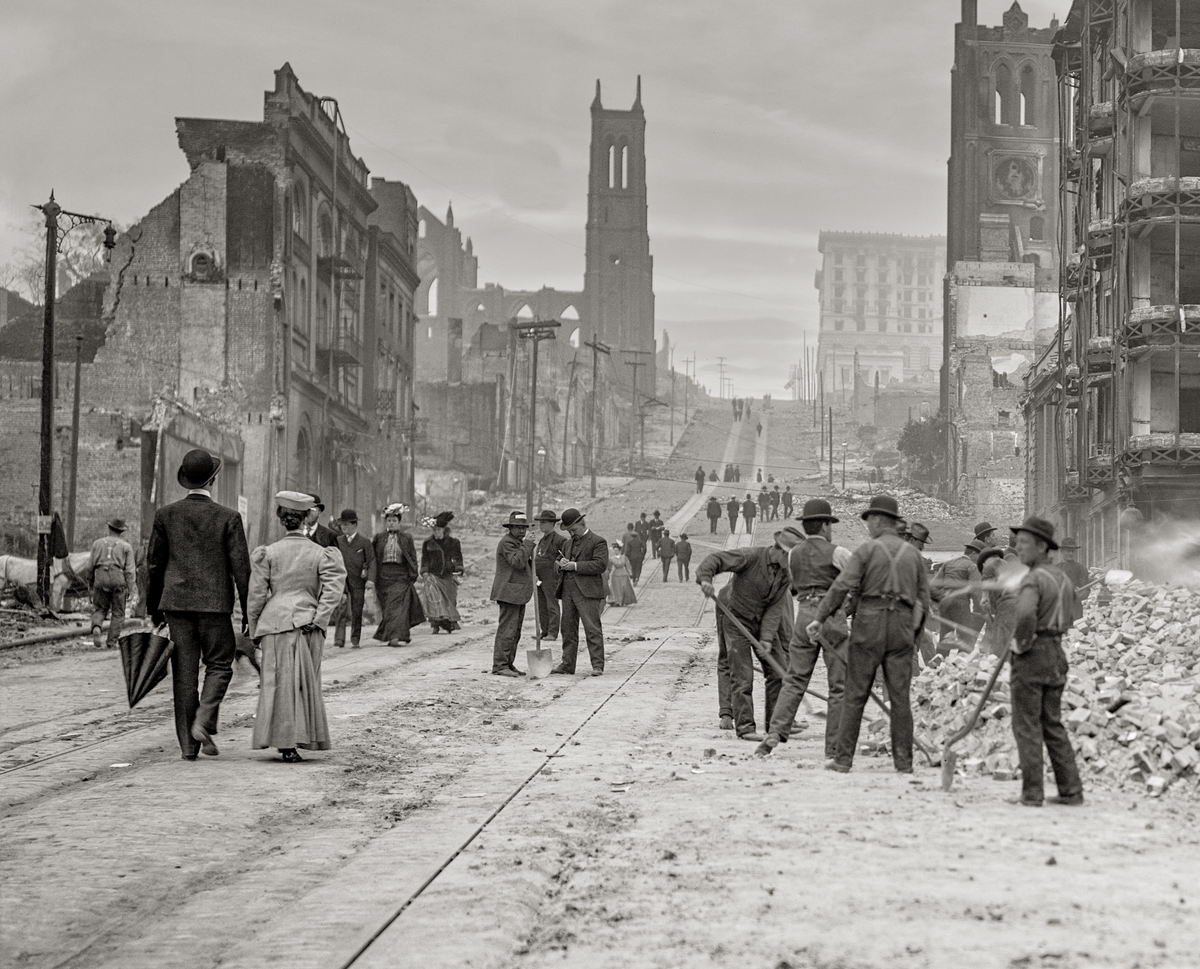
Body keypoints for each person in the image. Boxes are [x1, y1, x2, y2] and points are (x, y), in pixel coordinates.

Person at [812, 495, 930, 774]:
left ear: (878, 520)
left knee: (855, 694)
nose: (867, 527)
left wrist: (819, 618)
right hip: (901, 627)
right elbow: (924, 602)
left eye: (868, 521)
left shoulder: (866, 551)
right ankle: (904, 763)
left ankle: (843, 760)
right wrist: (912, 639)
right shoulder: (913, 555)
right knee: (900, 698)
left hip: (869, 626)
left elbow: (841, 587)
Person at [147, 448, 252, 761]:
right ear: (213, 480)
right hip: (216, 607)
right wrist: (248, 612)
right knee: (220, 665)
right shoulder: (229, 518)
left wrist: (154, 609)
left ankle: (188, 746)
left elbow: (154, 565)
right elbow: (241, 569)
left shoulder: (165, 515)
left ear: (185, 480)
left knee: (184, 673)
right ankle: (204, 721)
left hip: (176, 606)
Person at [247, 492, 346, 763]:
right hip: (306, 625)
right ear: (305, 519)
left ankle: (281, 741)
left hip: (273, 625)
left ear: (282, 520)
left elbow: (256, 596)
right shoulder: (321, 553)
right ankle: (293, 741)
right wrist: (319, 619)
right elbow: (333, 591)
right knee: (302, 684)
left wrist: (255, 630)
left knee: (275, 683)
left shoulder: (268, 553)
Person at [755, 502, 851, 761]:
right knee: (839, 685)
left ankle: (774, 732)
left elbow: (795, 588)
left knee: (795, 678)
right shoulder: (838, 552)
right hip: (831, 617)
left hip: (803, 615)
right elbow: (855, 583)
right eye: (830, 524)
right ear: (824, 525)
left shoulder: (793, 554)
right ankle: (833, 748)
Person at [697, 527, 801, 740]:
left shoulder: (784, 574)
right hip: (736, 622)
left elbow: (774, 608)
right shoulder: (750, 557)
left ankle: (775, 726)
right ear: (780, 551)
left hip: (761, 624)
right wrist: (706, 579)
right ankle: (745, 728)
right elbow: (715, 559)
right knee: (742, 676)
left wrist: (766, 638)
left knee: (777, 671)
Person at [1008, 517, 1085, 807]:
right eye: (1017, 542)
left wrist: (1022, 643)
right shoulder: (1063, 578)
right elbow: (1075, 614)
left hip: (1033, 655)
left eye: (1024, 543)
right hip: (1057, 653)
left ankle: (1032, 794)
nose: (1018, 548)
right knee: (1052, 724)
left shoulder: (1033, 578)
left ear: (1042, 546)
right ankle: (1071, 791)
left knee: (1026, 725)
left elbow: (1026, 615)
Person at [551, 508, 609, 676]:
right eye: (568, 531)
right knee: (567, 629)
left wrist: (575, 566)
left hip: (588, 592)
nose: (571, 533)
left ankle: (597, 665)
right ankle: (567, 665)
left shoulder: (598, 541)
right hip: (568, 591)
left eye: (573, 530)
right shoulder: (567, 544)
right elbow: (556, 564)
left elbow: (600, 565)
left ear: (582, 523)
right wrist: (560, 563)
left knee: (592, 628)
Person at [490, 511, 535, 677]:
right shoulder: (507, 543)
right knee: (507, 631)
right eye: (518, 527)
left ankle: (508, 663)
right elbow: (517, 562)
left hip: (517, 593)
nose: (522, 531)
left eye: (523, 528)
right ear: (510, 528)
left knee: (515, 631)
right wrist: (528, 544)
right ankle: (500, 665)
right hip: (509, 593)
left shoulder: (518, 542)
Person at [371, 503, 424, 646]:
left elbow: (412, 557)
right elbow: (372, 557)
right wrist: (371, 576)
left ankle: (394, 637)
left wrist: (413, 574)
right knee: (388, 608)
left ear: (399, 523)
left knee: (397, 608)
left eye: (394, 521)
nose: (391, 523)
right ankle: (402, 634)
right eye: (389, 521)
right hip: (383, 577)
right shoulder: (379, 538)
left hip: (401, 576)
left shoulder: (406, 538)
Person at [88, 517, 137, 650]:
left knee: (100, 608)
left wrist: (91, 583)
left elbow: (90, 566)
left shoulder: (97, 544)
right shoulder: (126, 547)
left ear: (109, 528)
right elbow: (130, 571)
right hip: (117, 578)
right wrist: (131, 588)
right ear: (121, 531)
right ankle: (111, 642)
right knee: (118, 613)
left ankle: (97, 627)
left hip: (100, 576)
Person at [331, 509, 376, 648]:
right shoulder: (337, 541)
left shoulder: (364, 542)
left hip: (358, 581)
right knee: (340, 608)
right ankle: (339, 639)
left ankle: (355, 638)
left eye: (346, 524)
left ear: (354, 525)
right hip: (341, 581)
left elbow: (372, 561)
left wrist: (370, 580)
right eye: (342, 524)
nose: (343, 527)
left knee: (357, 610)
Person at [930, 540, 984, 650]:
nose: (980, 561)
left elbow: (932, 586)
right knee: (966, 639)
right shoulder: (972, 566)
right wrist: (981, 609)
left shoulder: (948, 563)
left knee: (945, 638)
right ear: (973, 553)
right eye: (980, 556)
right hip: (961, 604)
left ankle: (939, 664)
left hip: (944, 604)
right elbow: (976, 590)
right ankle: (960, 664)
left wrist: (942, 598)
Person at [420, 511, 464, 634]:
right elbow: (425, 559)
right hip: (433, 575)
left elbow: (457, 557)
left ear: (444, 530)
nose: (436, 532)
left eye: (438, 529)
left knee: (449, 601)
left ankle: (449, 623)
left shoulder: (453, 542)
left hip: (448, 576)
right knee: (434, 600)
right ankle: (435, 624)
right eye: (434, 530)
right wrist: (424, 571)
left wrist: (458, 568)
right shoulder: (428, 543)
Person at [534, 510, 567, 640]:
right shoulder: (542, 540)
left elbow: (566, 556)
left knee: (551, 604)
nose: (541, 525)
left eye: (544, 522)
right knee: (541, 605)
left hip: (551, 577)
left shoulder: (560, 540)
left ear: (552, 524)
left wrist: (557, 566)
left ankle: (553, 633)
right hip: (539, 577)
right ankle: (544, 631)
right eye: (540, 522)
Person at [607, 542, 637, 606]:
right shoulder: (611, 559)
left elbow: (627, 566)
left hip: (623, 574)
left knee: (624, 587)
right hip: (615, 575)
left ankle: (625, 600)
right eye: (614, 550)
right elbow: (609, 568)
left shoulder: (624, 557)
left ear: (619, 550)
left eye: (617, 550)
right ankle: (616, 601)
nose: (615, 552)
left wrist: (630, 573)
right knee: (616, 588)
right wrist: (606, 574)